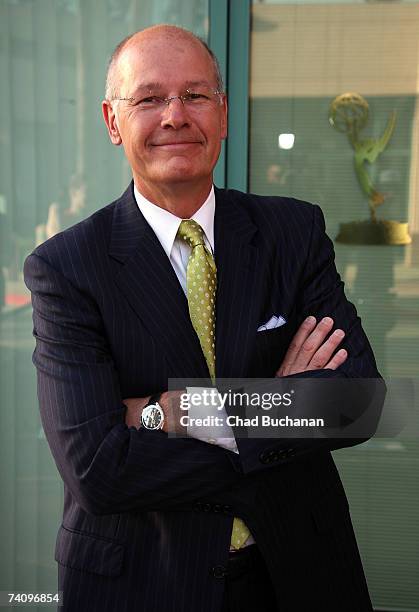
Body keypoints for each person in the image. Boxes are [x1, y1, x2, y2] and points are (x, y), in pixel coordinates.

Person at [23, 24, 384, 612]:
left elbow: (358, 404)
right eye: (148, 98)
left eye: (194, 96)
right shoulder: (66, 269)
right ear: (113, 122)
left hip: (299, 573)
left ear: (221, 112)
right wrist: (282, 404)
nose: (174, 116)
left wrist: (174, 411)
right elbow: (98, 470)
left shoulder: (293, 233)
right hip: (144, 581)